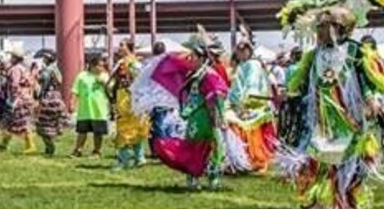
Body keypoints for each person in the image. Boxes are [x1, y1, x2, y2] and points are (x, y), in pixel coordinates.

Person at [276, 0, 384, 209]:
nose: (317, 30)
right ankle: (326, 206)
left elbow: (369, 79)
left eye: (322, 26)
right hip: (322, 120)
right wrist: (289, 93)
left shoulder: (355, 51)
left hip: (350, 119)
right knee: (324, 161)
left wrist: (371, 99)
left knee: (350, 163)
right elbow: (302, 80)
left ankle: (347, 203)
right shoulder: (314, 54)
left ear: (338, 28)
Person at [133, 29, 231, 190]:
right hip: (200, 118)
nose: (190, 60)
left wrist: (218, 118)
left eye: (193, 57)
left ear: (202, 58)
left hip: (206, 117)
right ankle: (201, 179)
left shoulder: (207, 75)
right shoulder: (198, 74)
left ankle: (206, 179)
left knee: (211, 148)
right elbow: (213, 96)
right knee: (200, 148)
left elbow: (216, 97)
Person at [225, 34, 277, 173]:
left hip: (253, 105)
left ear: (249, 50)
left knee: (254, 133)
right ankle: (244, 160)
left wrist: (245, 103)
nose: (240, 53)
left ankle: (259, 161)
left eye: (243, 50)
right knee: (240, 130)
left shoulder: (253, 64)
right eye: (238, 51)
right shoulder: (243, 64)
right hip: (240, 104)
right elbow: (238, 85)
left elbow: (251, 84)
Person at [109, 42, 149, 170]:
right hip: (128, 96)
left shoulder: (131, 63)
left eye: (122, 45)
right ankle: (138, 157)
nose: (119, 47)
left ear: (129, 48)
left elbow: (140, 80)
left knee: (127, 126)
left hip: (128, 97)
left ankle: (125, 160)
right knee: (135, 126)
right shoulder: (129, 62)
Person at [0, 49, 37, 154]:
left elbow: (15, 85)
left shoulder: (15, 69)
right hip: (25, 97)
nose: (10, 58)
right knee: (10, 122)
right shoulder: (24, 68)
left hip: (19, 99)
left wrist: (14, 100)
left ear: (15, 58)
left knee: (22, 121)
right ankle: (4, 143)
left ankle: (31, 145)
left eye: (12, 57)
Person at [71, 53, 111, 159]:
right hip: (84, 110)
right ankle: (78, 150)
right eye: (99, 65)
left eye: (102, 66)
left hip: (99, 110)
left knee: (98, 132)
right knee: (82, 131)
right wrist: (72, 103)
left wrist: (105, 85)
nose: (101, 68)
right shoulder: (82, 76)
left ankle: (96, 151)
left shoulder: (105, 76)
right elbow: (75, 91)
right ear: (92, 66)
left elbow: (111, 92)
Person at [34, 50, 66, 156]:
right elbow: (60, 81)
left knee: (43, 122)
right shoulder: (55, 69)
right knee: (51, 121)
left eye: (44, 58)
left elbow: (43, 83)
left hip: (48, 97)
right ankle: (49, 145)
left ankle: (49, 145)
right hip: (56, 97)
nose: (43, 59)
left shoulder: (48, 70)